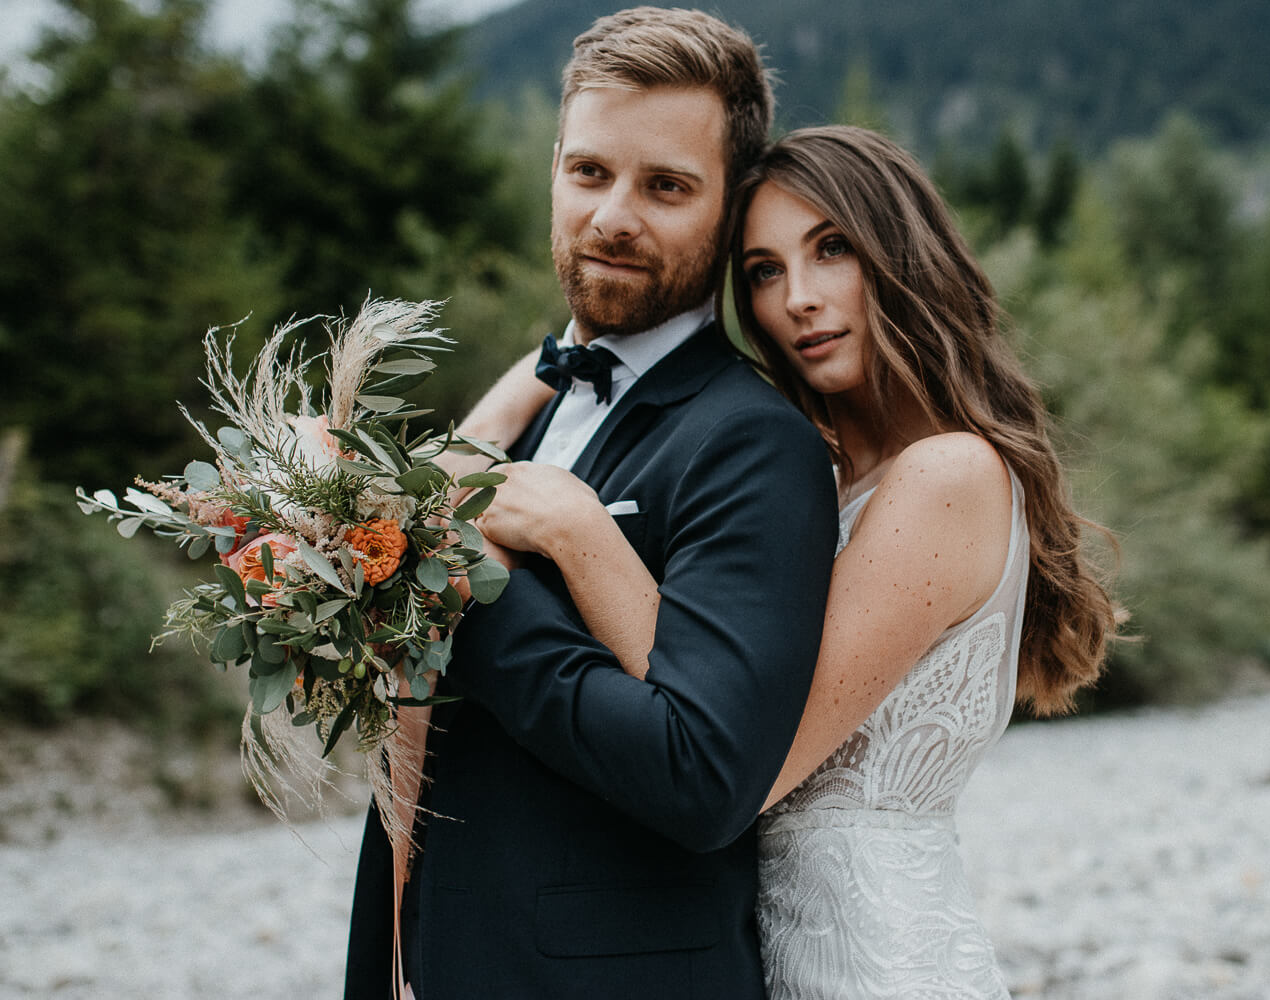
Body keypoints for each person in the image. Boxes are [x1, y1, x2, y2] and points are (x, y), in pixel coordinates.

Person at [475, 125, 1120, 998]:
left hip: (873, 967)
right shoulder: (820, 469)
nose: (799, 300)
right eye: (763, 271)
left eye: (832, 250)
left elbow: (744, 759)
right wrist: (520, 398)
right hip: (764, 954)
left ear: (903, 255)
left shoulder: (948, 476)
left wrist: (580, 537)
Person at [342, 9, 840, 999]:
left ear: (731, 207)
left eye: (666, 186)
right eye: (589, 172)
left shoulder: (754, 443)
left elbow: (704, 780)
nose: (613, 215)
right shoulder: (528, 408)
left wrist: (468, 581)